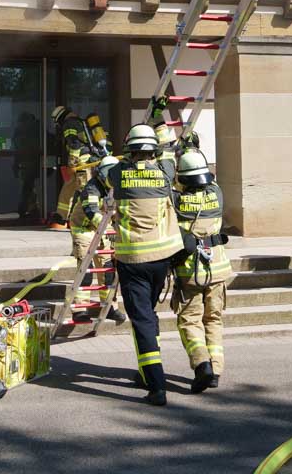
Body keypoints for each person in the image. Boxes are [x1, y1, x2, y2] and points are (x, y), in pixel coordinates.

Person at [81, 98, 181, 407]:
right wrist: (158, 116)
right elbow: (169, 147)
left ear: (130, 150)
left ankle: (156, 385)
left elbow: (110, 166)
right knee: (149, 314)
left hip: (133, 261)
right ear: (151, 151)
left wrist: (113, 152)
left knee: (142, 320)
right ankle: (145, 371)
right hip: (162, 260)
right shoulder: (165, 173)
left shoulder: (119, 175)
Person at [170, 143, 231, 393]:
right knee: (213, 319)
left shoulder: (176, 200)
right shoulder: (217, 193)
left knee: (190, 320)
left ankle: (201, 365)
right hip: (218, 269)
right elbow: (210, 179)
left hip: (190, 272)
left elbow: (169, 185)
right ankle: (216, 370)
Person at [66, 154, 127, 326]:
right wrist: (108, 228)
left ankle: (109, 308)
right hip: (83, 229)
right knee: (86, 270)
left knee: (108, 269)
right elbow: (92, 211)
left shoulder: (115, 187)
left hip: (103, 229)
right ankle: (80, 310)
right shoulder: (91, 189)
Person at [48, 106, 96, 231]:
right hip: (84, 162)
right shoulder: (80, 122)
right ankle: (61, 217)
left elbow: (74, 143)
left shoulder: (69, 124)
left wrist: (72, 163)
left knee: (84, 190)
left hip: (81, 164)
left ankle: (89, 218)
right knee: (68, 189)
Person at [11, 111, 40, 220]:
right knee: (28, 188)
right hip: (30, 164)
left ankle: (27, 209)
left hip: (27, 164)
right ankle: (29, 209)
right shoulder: (34, 131)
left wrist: (16, 165)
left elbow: (18, 149)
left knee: (28, 188)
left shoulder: (22, 132)